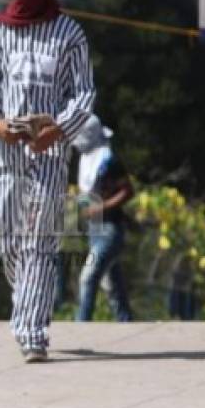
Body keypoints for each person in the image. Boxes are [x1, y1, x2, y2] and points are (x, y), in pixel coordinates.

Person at [0, 0, 95, 363]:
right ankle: (28, 298)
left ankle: (32, 333)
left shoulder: (70, 34)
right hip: (6, 151)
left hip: (49, 149)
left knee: (39, 239)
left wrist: (58, 129)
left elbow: (83, 94)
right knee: (9, 234)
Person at [72, 115, 133, 322]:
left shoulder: (109, 161)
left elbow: (127, 190)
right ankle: (127, 325)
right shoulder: (86, 160)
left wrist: (100, 207)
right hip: (94, 230)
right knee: (113, 286)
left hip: (109, 230)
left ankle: (81, 327)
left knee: (88, 278)